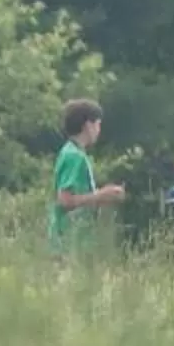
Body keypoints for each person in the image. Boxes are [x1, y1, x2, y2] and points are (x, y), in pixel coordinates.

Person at [49, 99, 124, 253]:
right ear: (88, 125)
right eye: (98, 124)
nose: (99, 129)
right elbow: (65, 200)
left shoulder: (71, 152)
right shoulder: (74, 157)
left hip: (75, 240)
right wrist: (101, 196)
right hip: (68, 240)